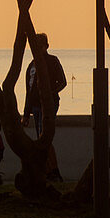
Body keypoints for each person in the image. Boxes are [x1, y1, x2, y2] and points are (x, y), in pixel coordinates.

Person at [22, 32, 66, 181]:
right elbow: (28, 91)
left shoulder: (52, 61)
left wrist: (49, 94)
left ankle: (53, 170)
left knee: (45, 137)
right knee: (41, 138)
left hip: (49, 104)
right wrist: (26, 114)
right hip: (34, 106)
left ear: (46, 46)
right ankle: (48, 171)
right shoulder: (31, 66)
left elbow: (62, 82)